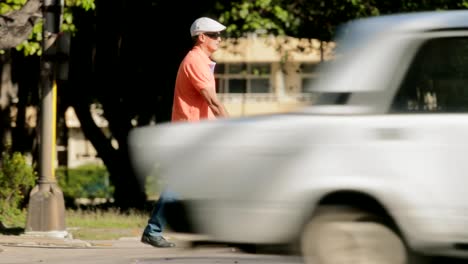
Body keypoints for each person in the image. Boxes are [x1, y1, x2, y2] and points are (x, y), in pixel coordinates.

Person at [140, 16, 229, 248]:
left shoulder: (202, 61)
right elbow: (213, 101)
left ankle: (159, 229)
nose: (219, 39)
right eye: (214, 35)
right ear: (201, 37)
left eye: (219, 35)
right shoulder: (196, 61)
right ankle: (154, 229)